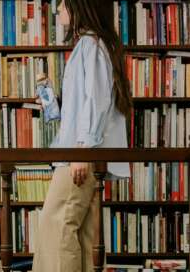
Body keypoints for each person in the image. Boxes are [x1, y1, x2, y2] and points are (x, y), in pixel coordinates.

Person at [32, 0, 131, 271]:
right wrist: (57, 104)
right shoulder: (94, 45)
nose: (59, 8)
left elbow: (96, 101)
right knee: (84, 237)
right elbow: (89, 103)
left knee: (57, 229)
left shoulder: (91, 45)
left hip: (81, 155)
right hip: (85, 152)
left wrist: (82, 150)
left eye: (64, 3)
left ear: (81, 6)